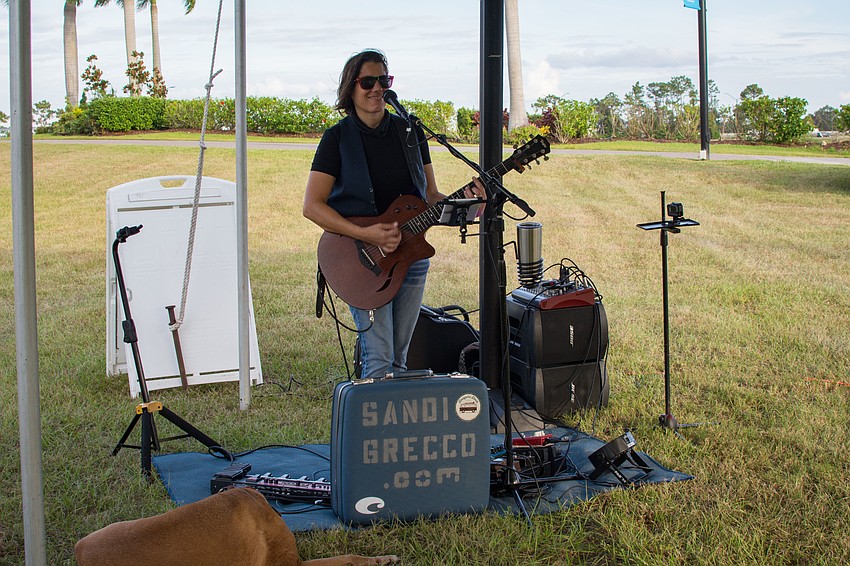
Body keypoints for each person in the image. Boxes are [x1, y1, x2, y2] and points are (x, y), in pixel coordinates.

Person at [303, 49, 485, 378]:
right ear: (350, 88)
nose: (376, 89)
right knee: (379, 356)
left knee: (400, 358)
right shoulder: (337, 139)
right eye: (367, 81)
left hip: (411, 258)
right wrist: (366, 234)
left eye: (383, 80)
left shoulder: (411, 133)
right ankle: (372, 429)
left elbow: (431, 197)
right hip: (362, 261)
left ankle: (394, 428)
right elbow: (312, 206)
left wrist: (468, 206)